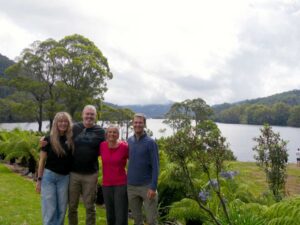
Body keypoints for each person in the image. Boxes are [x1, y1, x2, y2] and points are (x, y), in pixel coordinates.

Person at [68, 105, 105, 225]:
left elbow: (110, 144)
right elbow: (59, 137)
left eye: (92, 114)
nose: (89, 116)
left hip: (91, 174)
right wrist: (45, 140)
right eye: (87, 114)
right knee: (72, 206)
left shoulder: (100, 132)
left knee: (90, 207)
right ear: (82, 115)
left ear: (95, 116)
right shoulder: (74, 128)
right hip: (73, 173)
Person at [36, 112, 74, 225]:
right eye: (60, 121)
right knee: (50, 208)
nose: (63, 123)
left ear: (68, 123)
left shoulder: (71, 139)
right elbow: (42, 161)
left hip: (65, 178)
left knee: (62, 209)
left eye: (65, 121)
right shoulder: (47, 140)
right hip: (49, 177)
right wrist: (39, 180)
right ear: (56, 123)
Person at [127, 113, 160, 225]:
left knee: (151, 221)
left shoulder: (151, 143)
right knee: (137, 220)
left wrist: (153, 187)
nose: (138, 125)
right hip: (131, 187)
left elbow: (156, 166)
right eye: (135, 122)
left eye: (140, 122)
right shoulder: (129, 141)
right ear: (133, 124)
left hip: (147, 187)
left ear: (144, 124)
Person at [99, 125, 129, 225]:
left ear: (118, 135)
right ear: (106, 134)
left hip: (121, 184)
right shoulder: (102, 146)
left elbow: (134, 161)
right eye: (110, 132)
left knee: (121, 214)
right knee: (110, 215)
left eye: (114, 132)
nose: (112, 134)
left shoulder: (124, 147)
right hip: (106, 185)